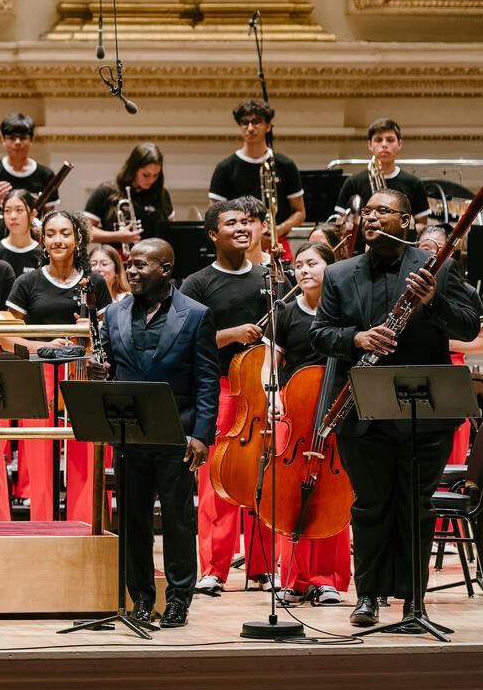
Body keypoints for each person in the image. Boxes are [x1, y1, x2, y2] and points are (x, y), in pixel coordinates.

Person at [311, 189, 479, 628]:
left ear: (407, 222)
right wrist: (357, 339)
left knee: (415, 505)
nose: (371, 217)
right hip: (361, 411)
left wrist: (433, 302)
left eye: (382, 211)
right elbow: (319, 334)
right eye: (366, 211)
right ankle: (367, 596)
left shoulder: (435, 269)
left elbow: (468, 324)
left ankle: (413, 603)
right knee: (370, 505)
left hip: (426, 415)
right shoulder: (339, 274)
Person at [88, 239, 219, 628]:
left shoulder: (196, 314)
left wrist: (201, 434)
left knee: (178, 521)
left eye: (141, 265)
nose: (131, 271)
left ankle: (178, 599)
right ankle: (141, 598)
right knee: (133, 520)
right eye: (129, 265)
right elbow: (108, 367)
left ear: (165, 269)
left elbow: (207, 380)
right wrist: (99, 374)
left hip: (177, 433)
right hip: (129, 432)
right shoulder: (113, 312)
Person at [179, 198, 275, 593]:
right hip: (217, 389)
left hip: (262, 389)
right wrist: (234, 335)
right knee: (216, 481)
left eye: (247, 222)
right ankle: (214, 569)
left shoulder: (268, 279)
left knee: (261, 478)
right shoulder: (197, 283)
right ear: (213, 234)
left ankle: (261, 567)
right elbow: (186, 342)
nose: (241, 227)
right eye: (231, 222)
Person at [3, 211, 110, 522]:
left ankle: (85, 529)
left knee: (84, 457)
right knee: (39, 458)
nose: (58, 240)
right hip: (39, 377)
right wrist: (46, 349)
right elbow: (7, 339)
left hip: (82, 375)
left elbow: (106, 337)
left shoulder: (95, 282)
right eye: (51, 234)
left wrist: (88, 331)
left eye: (65, 233)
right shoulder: (27, 282)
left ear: (77, 238)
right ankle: (42, 529)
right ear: (43, 239)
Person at [271, 242, 351, 606]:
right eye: (299, 265)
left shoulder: (345, 310)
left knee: (331, 497)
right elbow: (269, 363)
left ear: (330, 269)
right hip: (296, 415)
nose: (304, 270)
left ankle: (328, 578)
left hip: (336, 412)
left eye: (313, 264)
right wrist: (271, 394)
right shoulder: (286, 312)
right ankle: (294, 578)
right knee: (289, 495)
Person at [208, 100, 305, 252]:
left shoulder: (285, 165)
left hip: (276, 244)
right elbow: (214, 216)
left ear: (268, 126)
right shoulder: (224, 168)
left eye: (256, 122)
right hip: (237, 246)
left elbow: (300, 212)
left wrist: (276, 230)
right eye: (245, 123)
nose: (250, 128)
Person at [334, 119, 431, 228]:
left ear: (399, 144)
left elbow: (422, 224)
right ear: (370, 144)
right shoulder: (353, 182)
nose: (384, 144)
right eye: (378, 140)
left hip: (400, 244)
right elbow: (340, 224)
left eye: (390, 140)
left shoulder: (413, 183)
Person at [83, 143, 175, 246]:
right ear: (133, 169)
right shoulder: (106, 191)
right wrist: (117, 236)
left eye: (155, 175)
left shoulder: (162, 193)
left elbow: (171, 231)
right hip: (117, 259)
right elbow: (85, 231)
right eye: (146, 175)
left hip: (153, 260)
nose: (151, 180)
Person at [0, 113, 57, 211]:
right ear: (3, 140)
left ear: (31, 140)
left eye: (23, 137)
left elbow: (49, 216)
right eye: (12, 138)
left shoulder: (46, 175)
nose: (17, 142)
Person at [0, 189, 43, 279]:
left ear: (33, 214)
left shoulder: (42, 255)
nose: (13, 216)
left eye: (19, 210)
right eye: (7, 210)